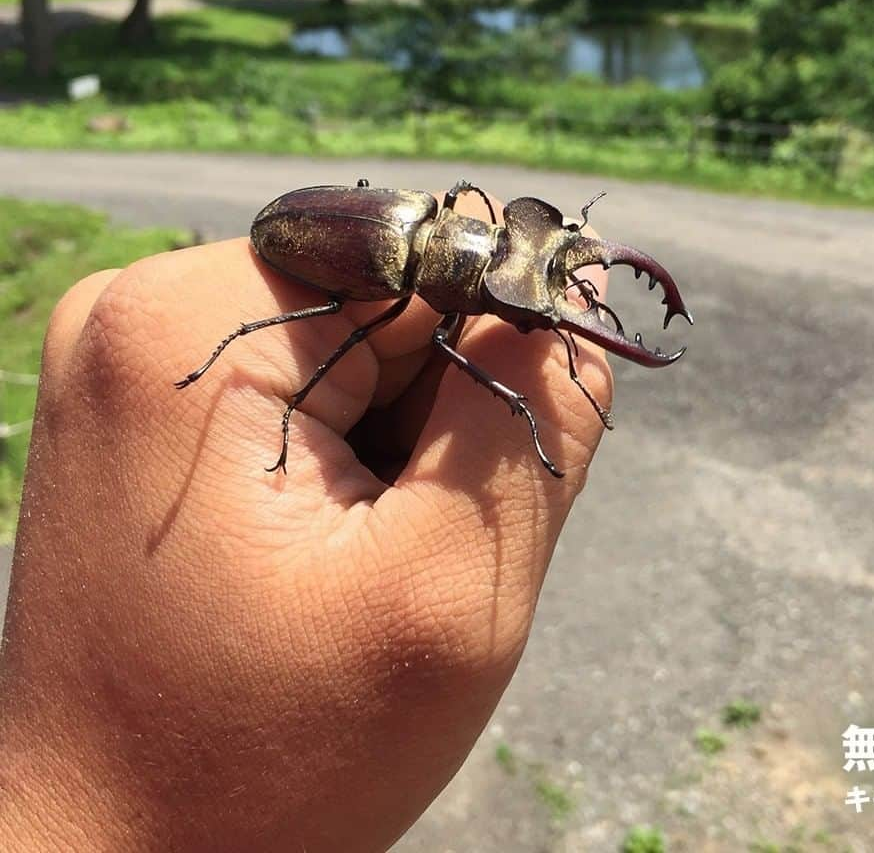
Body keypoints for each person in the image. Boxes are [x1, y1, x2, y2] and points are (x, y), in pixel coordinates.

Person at [0, 215, 612, 852]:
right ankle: (276, 384)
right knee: (344, 338)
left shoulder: (428, 215)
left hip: (383, 221)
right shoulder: (399, 287)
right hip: (320, 239)